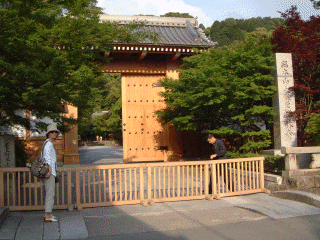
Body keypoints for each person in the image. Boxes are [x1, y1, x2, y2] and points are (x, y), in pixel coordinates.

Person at [43, 124, 59, 223]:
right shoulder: (48, 144)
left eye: (55, 132)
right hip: (49, 172)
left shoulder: (47, 143)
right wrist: (49, 171)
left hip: (50, 172)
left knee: (50, 193)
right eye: (52, 132)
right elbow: (47, 159)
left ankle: (48, 214)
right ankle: (47, 215)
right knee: (50, 194)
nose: (54, 133)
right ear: (48, 133)